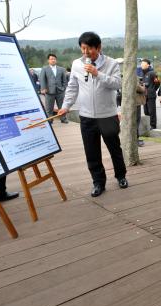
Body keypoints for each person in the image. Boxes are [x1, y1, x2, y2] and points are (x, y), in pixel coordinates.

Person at [58, 31, 127, 197]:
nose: (86, 52)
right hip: (87, 116)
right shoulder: (76, 64)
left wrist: (98, 73)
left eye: (89, 49)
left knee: (114, 148)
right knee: (91, 152)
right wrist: (66, 105)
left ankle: (121, 176)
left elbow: (117, 83)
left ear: (99, 47)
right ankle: (98, 182)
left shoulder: (111, 63)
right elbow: (72, 87)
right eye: (83, 48)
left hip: (107, 115)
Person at [40, 53, 69, 123]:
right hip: (49, 91)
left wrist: (64, 88)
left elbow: (64, 80)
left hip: (60, 91)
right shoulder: (44, 69)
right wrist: (43, 88)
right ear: (48, 60)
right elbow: (42, 79)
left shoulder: (61, 69)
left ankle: (63, 118)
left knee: (62, 106)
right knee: (49, 107)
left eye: (54, 59)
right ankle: (50, 119)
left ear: (56, 60)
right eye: (51, 59)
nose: (53, 60)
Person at [141, 59, 159, 129]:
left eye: (143, 63)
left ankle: (153, 125)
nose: (142, 64)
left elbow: (157, 83)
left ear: (148, 65)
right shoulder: (143, 73)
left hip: (151, 95)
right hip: (144, 96)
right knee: (146, 111)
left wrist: (152, 89)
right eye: (141, 63)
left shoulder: (152, 73)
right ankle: (148, 125)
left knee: (152, 111)